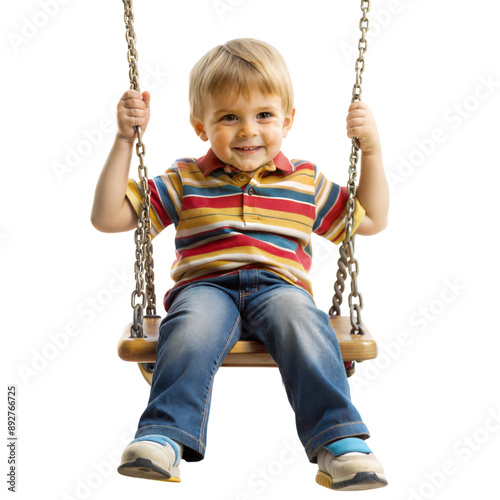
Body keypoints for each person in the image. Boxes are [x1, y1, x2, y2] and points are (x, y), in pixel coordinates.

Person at [91, 38, 389, 491]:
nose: (249, 130)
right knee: (190, 327)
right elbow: (108, 217)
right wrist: (122, 140)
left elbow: (369, 221)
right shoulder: (185, 178)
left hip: (279, 289)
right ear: (200, 125)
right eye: (229, 117)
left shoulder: (303, 180)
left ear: (288, 121)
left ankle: (340, 441)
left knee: (304, 322)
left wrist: (371, 151)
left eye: (264, 115)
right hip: (206, 290)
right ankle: (164, 436)